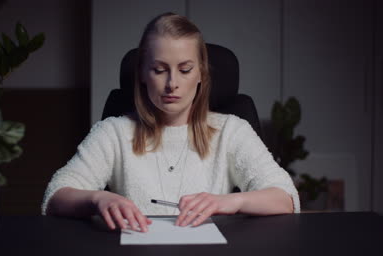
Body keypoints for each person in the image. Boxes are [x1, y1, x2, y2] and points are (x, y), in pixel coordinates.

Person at [42, 12, 300, 233]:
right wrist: (98, 199)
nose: (172, 83)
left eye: (185, 70)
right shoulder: (113, 132)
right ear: (142, 73)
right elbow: (55, 195)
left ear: (201, 74)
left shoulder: (232, 130)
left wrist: (228, 202)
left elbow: (285, 198)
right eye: (159, 70)